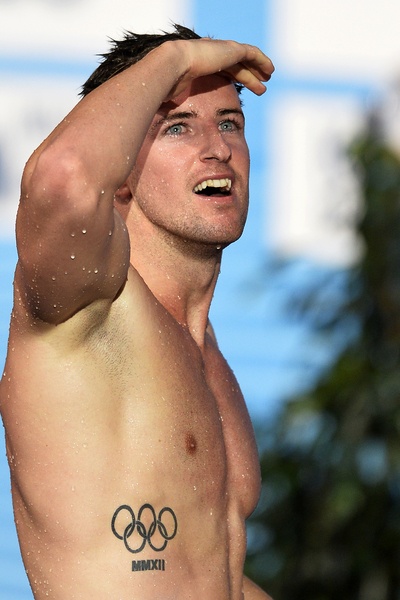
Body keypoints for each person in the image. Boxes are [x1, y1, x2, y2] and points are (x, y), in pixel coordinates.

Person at [0, 24, 274, 599]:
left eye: (229, 123)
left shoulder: (208, 357)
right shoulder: (88, 306)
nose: (217, 148)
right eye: (177, 126)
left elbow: (208, 576)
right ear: (122, 171)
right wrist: (176, 57)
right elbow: (63, 176)